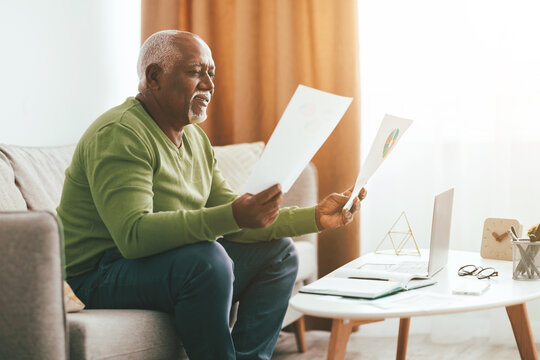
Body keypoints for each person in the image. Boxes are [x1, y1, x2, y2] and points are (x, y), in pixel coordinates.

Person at [58, 30, 366, 360]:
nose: (209, 84)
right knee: (206, 260)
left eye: (211, 73)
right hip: (97, 276)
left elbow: (236, 216)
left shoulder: (195, 141)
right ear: (154, 77)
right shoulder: (120, 133)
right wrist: (231, 215)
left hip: (158, 264)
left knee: (279, 253)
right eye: (195, 71)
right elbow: (133, 236)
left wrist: (316, 216)